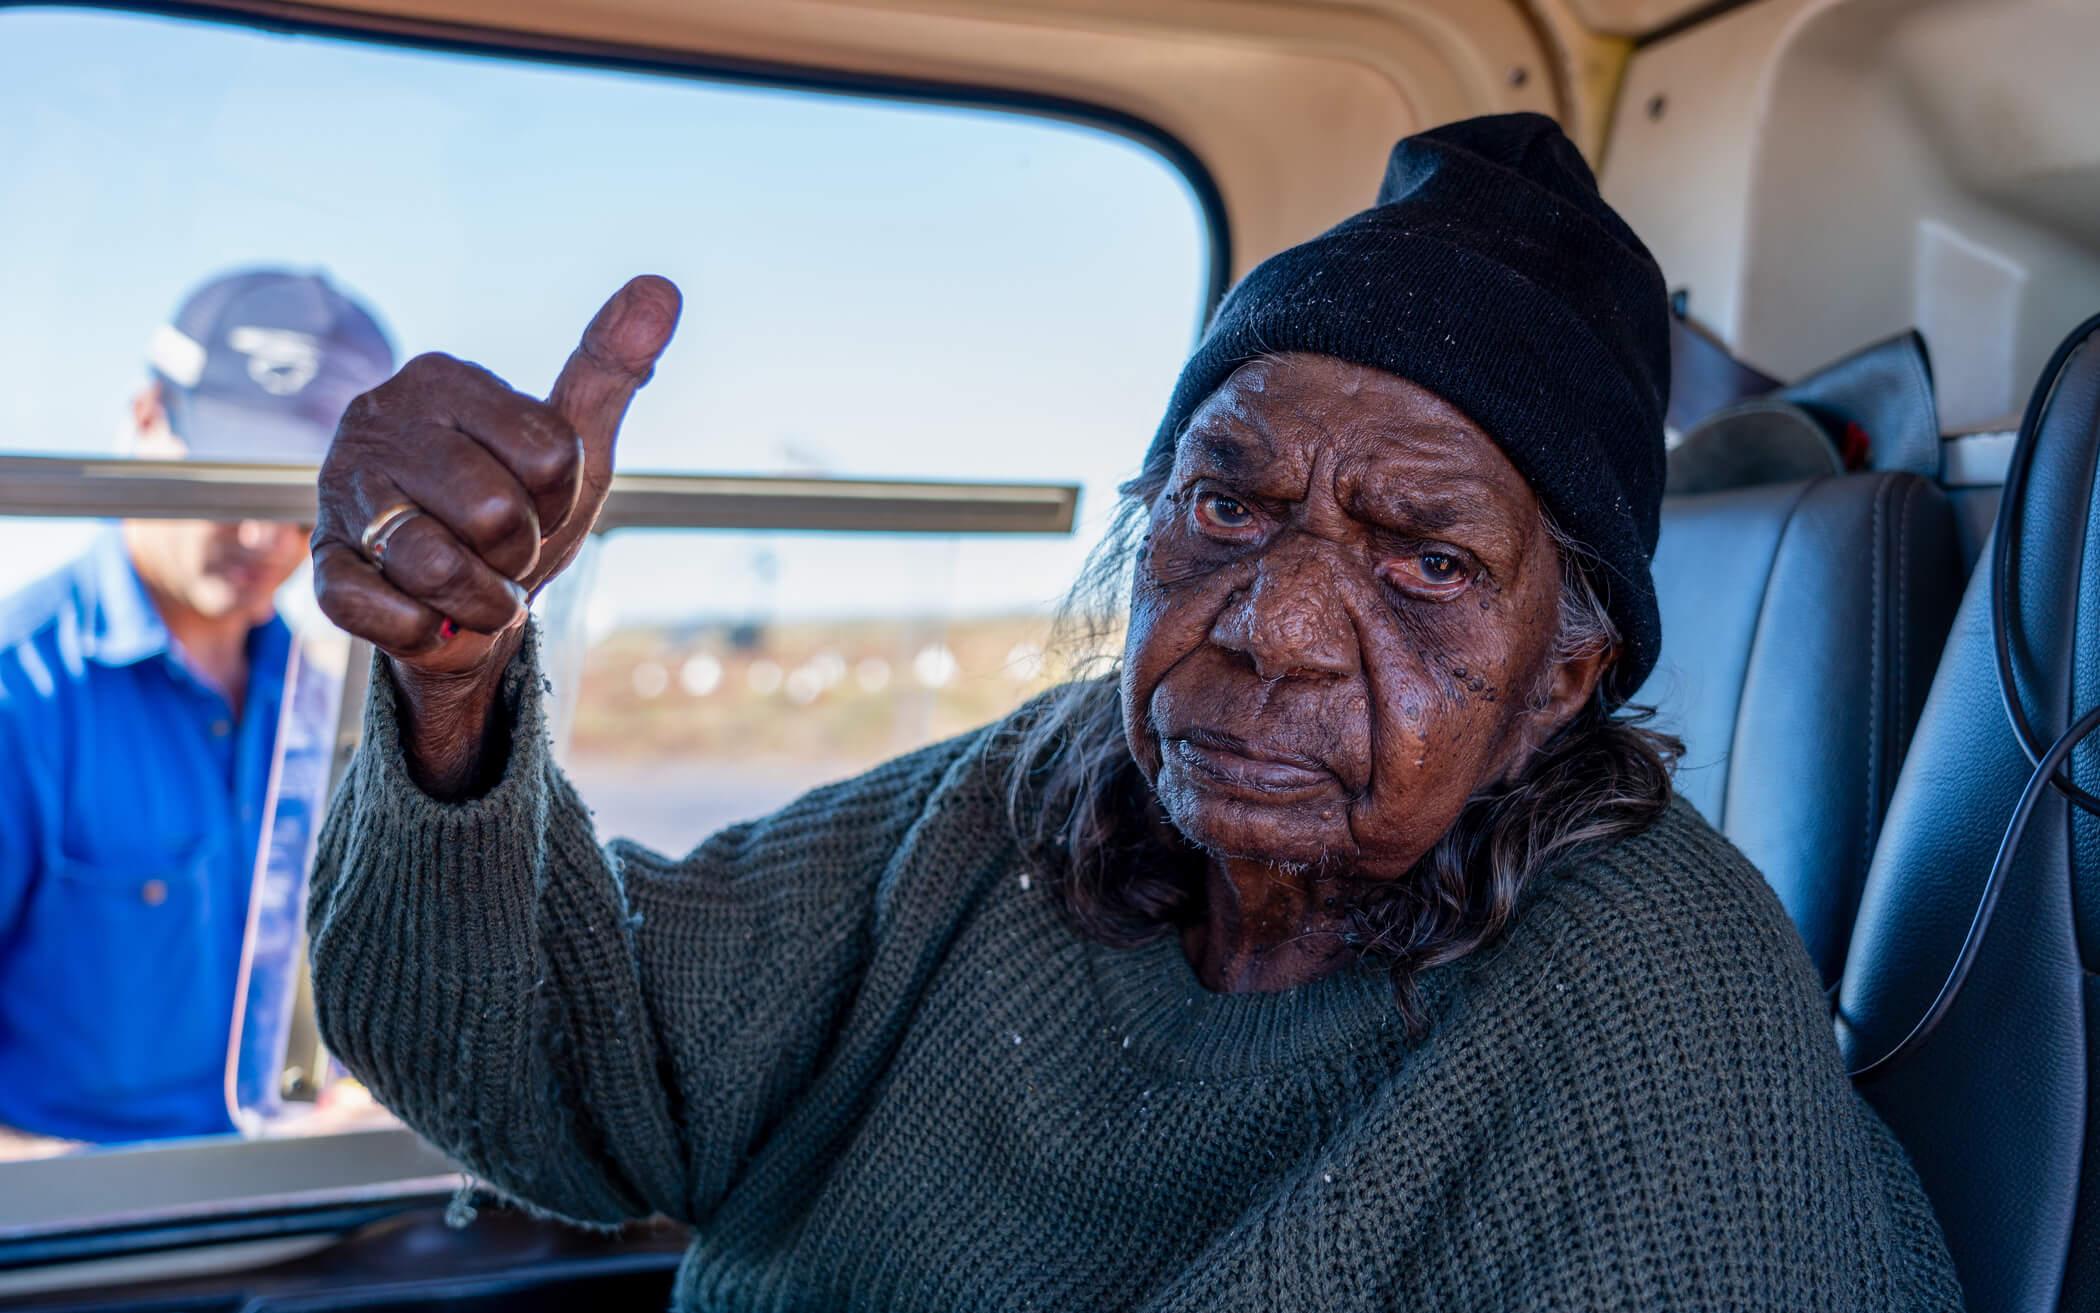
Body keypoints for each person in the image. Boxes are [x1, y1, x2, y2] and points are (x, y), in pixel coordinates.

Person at [306, 116, 1962, 1309]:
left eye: (1425, 560)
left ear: (1562, 678)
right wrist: (454, 677)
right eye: (1226, 506)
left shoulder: (1656, 999)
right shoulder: (1034, 795)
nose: (1275, 626)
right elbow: (569, 1073)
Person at [0, 269, 395, 1146]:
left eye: (306, 495)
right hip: (84, 1256)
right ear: (147, 418)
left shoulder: (347, 700)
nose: (265, 535)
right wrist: (67, 1188)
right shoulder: (17, 695)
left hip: (309, 1219)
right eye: (236, 476)